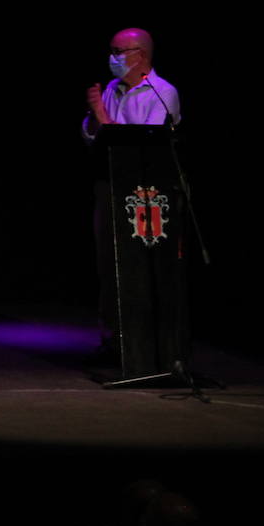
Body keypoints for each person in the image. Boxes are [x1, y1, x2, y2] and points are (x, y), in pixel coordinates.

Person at [82, 28, 181, 356]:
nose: (113, 58)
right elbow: (92, 138)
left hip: (145, 193)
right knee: (107, 262)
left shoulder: (162, 92)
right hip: (109, 185)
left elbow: (143, 145)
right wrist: (95, 121)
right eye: (111, 51)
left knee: (139, 263)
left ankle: (145, 341)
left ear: (141, 55)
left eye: (119, 51)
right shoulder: (111, 88)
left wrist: (102, 117)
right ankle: (112, 339)